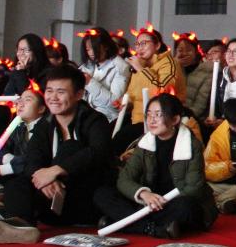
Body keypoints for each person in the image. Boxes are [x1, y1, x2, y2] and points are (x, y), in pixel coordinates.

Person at [0, 65, 114, 243]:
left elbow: (99, 152)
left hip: (86, 200)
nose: (53, 97)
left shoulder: (94, 120)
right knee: (18, 179)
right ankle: (23, 225)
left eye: (61, 92)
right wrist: (43, 177)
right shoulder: (46, 123)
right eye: (49, 91)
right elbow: (32, 156)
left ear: (79, 94)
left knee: (70, 147)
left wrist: (56, 170)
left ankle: (11, 214)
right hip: (50, 202)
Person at [93, 93, 216, 238]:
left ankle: (124, 223)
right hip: (148, 201)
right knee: (102, 194)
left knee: (186, 207)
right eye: (149, 114)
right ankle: (152, 228)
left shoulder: (192, 144)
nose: (151, 120)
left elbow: (193, 188)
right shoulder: (145, 143)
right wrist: (143, 194)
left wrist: (160, 202)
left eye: (158, 115)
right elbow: (124, 179)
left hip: (173, 202)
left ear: (175, 119)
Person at [115, 25, 186, 153]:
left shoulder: (169, 63)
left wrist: (141, 70)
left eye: (144, 43)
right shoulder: (141, 64)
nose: (139, 48)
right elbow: (132, 92)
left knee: (119, 141)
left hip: (158, 120)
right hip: (136, 118)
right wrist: (125, 102)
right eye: (137, 44)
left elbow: (162, 92)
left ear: (157, 45)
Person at [79, 27, 131, 123]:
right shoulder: (87, 66)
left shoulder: (120, 67)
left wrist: (90, 83)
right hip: (86, 116)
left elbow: (115, 105)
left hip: (107, 119)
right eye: (88, 49)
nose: (91, 53)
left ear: (106, 46)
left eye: (95, 48)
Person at [173, 32, 213, 122]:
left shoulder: (207, 71)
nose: (184, 53)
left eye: (188, 50)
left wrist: (184, 119)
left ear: (196, 51)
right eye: (180, 50)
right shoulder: (171, 69)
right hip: (171, 118)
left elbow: (200, 105)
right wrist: (176, 65)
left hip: (194, 120)